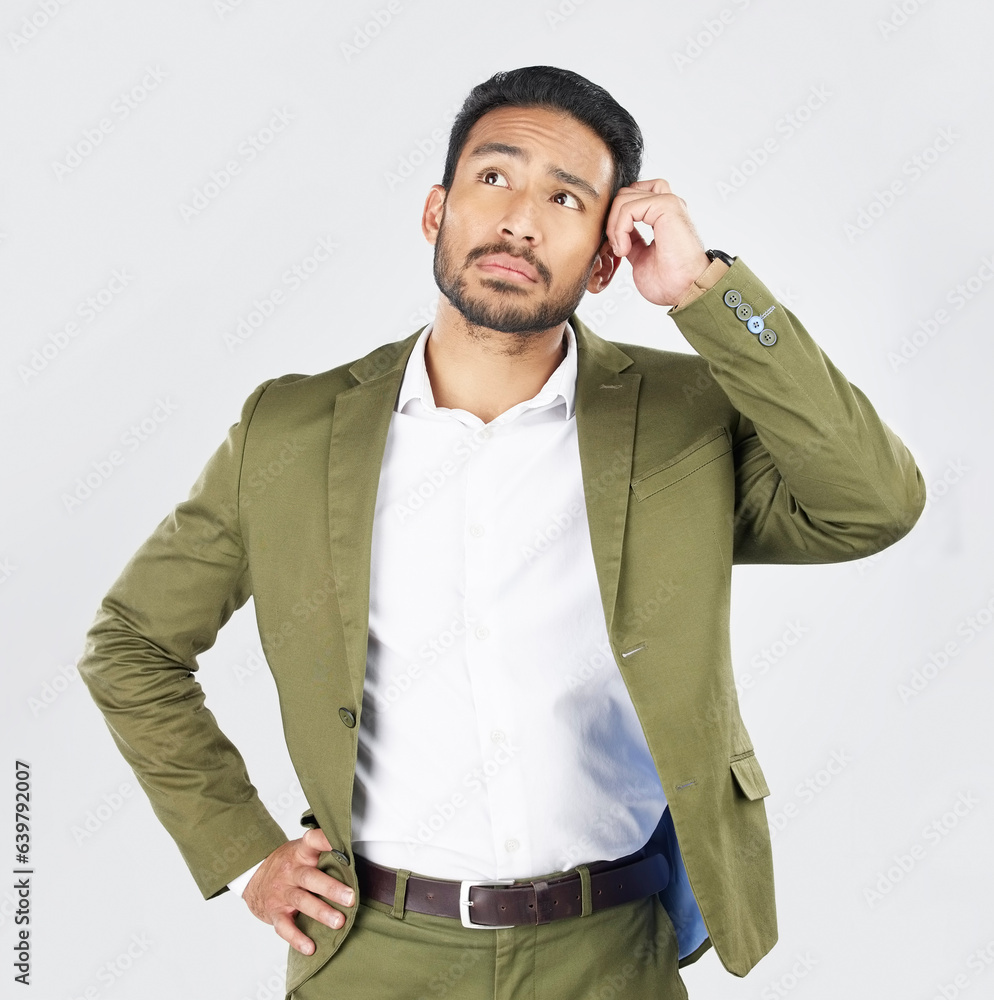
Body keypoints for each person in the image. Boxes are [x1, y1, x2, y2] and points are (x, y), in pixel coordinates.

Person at [78, 65, 926, 999]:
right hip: (372, 951)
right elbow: (132, 644)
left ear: (605, 260)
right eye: (494, 179)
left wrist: (704, 289)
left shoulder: (686, 418)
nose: (521, 220)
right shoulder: (292, 430)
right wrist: (246, 854)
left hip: (609, 951)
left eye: (566, 198)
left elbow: (872, 503)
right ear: (436, 211)